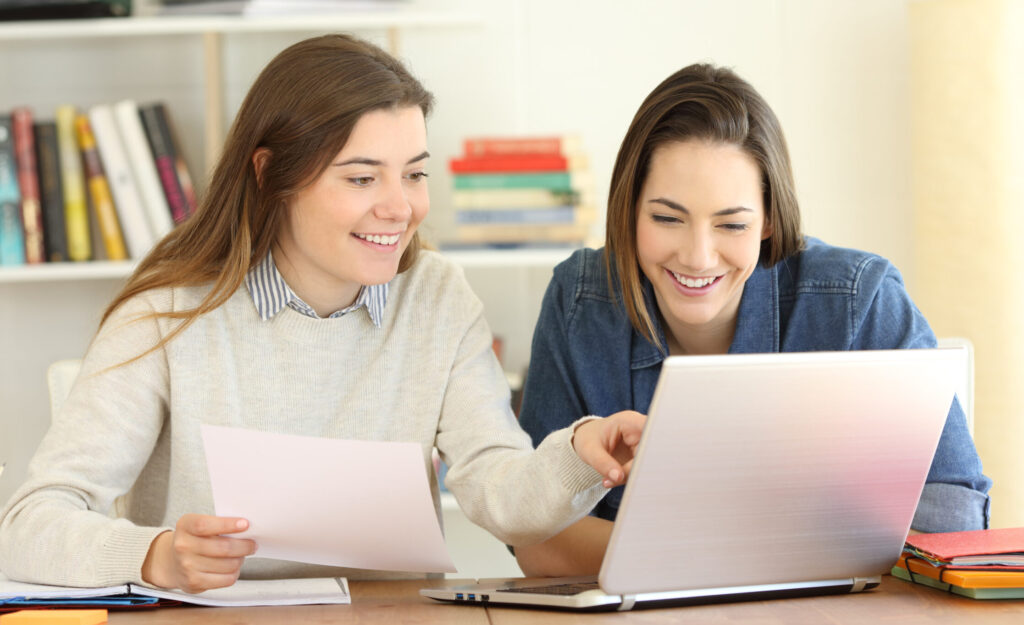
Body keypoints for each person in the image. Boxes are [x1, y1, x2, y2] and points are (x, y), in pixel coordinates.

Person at [0, 34, 645, 593]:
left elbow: (500, 492)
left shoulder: (437, 296)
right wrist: (156, 555)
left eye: (413, 174)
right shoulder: (167, 315)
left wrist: (581, 458)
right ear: (270, 174)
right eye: (362, 178)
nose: (400, 208)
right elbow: (30, 523)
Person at [514, 63, 992, 577]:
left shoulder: (859, 301)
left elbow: (956, 522)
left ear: (768, 220)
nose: (698, 257)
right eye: (667, 218)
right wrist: (764, 550)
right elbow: (537, 537)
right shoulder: (582, 301)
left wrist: (684, 552)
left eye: (732, 224)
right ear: (628, 210)